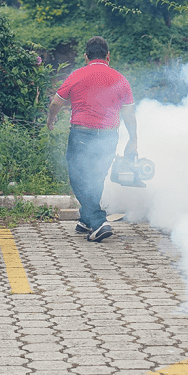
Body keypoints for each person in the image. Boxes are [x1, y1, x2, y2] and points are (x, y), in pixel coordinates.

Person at [46, 36, 137, 242]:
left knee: (79, 179)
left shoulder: (77, 75)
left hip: (82, 134)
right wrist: (133, 140)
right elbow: (129, 115)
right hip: (108, 136)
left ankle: (98, 222)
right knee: (95, 178)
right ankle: (86, 219)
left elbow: (55, 104)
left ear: (86, 56)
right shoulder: (120, 79)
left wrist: (51, 119)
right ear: (108, 56)